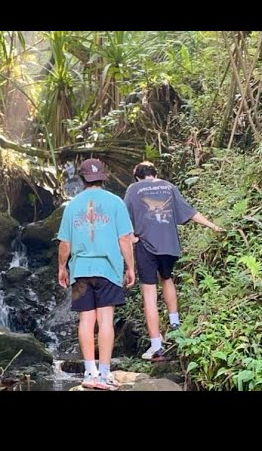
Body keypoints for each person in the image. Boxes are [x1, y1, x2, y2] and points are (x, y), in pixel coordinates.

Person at [124, 161, 225, 361]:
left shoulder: (133, 189)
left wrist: (131, 237)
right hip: (169, 245)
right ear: (155, 173)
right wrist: (212, 226)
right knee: (167, 278)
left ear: (137, 175)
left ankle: (156, 346)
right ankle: (175, 323)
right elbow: (190, 212)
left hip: (146, 245)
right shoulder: (169, 186)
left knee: (149, 292)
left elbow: (124, 218)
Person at [57, 158, 136, 390]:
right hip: (108, 269)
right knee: (105, 321)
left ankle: (89, 372)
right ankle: (103, 374)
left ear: (81, 178)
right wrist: (130, 267)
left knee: (86, 320)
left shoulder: (72, 206)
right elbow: (124, 239)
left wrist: (62, 267)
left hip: (81, 270)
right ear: (105, 175)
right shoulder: (115, 202)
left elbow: (64, 242)